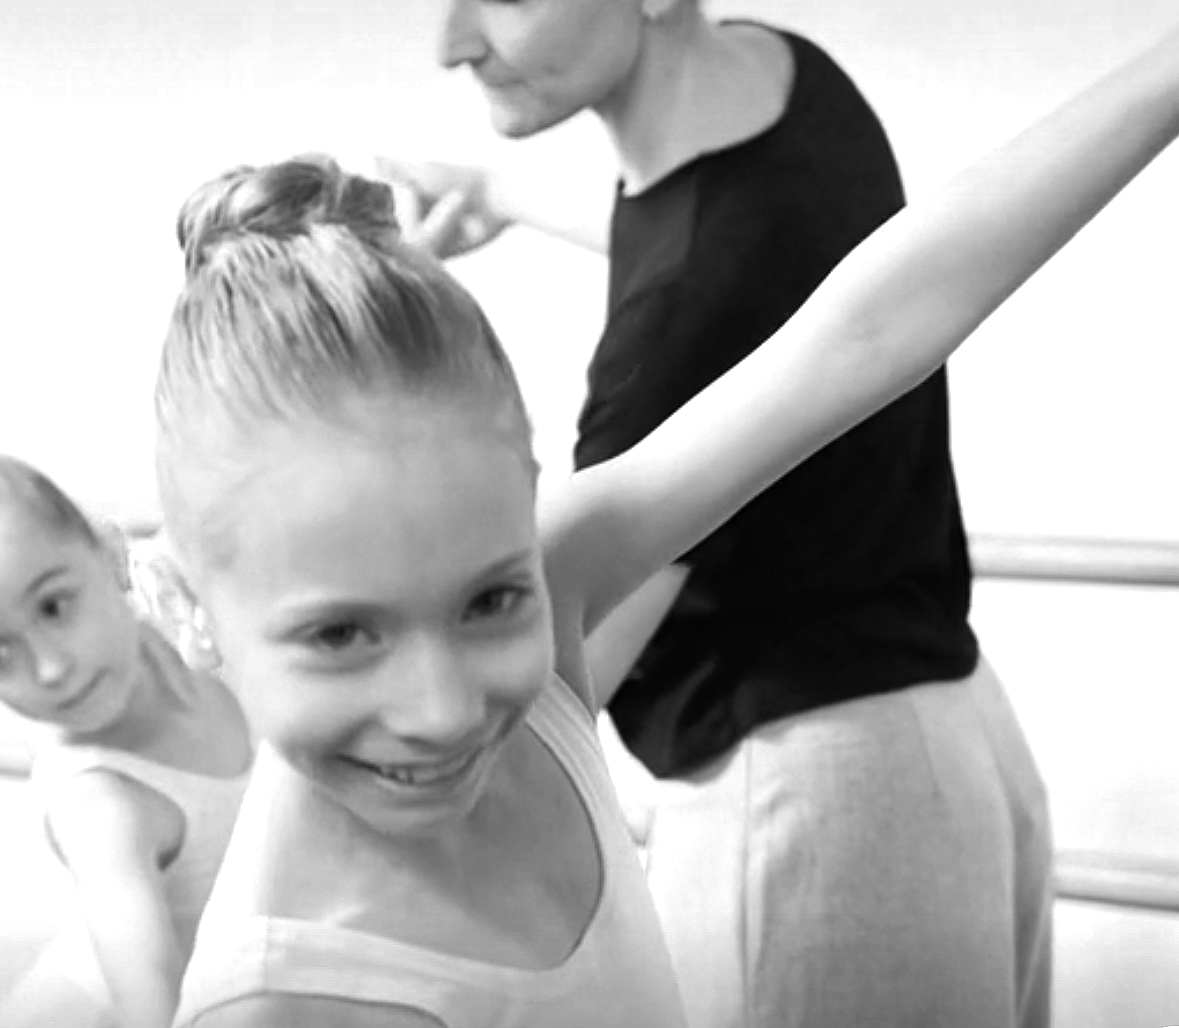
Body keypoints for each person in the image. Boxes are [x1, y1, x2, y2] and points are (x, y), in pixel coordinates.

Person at [160, 24, 1179, 1027]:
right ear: (185, 607)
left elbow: (867, 329)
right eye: (341, 634)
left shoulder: (559, 587)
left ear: (532, 495)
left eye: (492, 600)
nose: (443, 709)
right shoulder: (282, 1001)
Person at [380, 2, 1054, 1023]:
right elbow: (740, 241)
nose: (453, 44)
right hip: (952, 742)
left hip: (814, 820)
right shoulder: (792, 83)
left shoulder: (680, 329)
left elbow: (544, 687)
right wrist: (504, 192)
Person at [0, 422, 250, 1028]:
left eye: (54, 606)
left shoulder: (179, 602)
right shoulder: (100, 807)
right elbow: (153, 1009)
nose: (50, 668)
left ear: (108, 552)